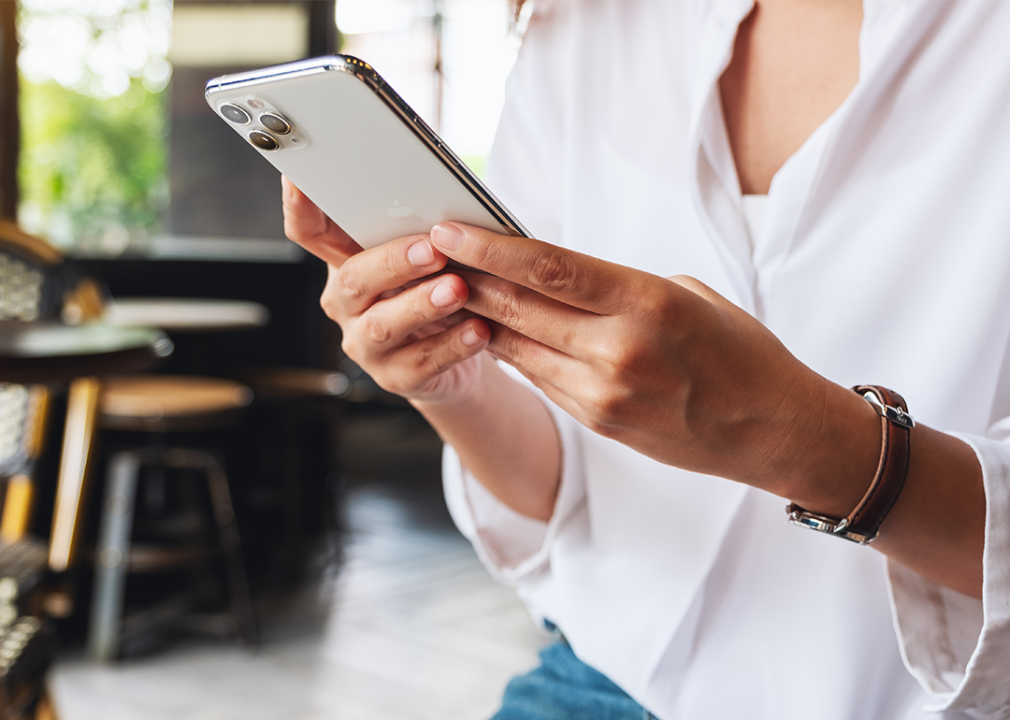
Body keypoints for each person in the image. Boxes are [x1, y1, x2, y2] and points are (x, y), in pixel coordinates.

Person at [283, 0, 1010, 717]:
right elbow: (556, 491)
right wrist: (452, 379)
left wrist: (804, 439)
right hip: (605, 676)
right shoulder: (580, 24)